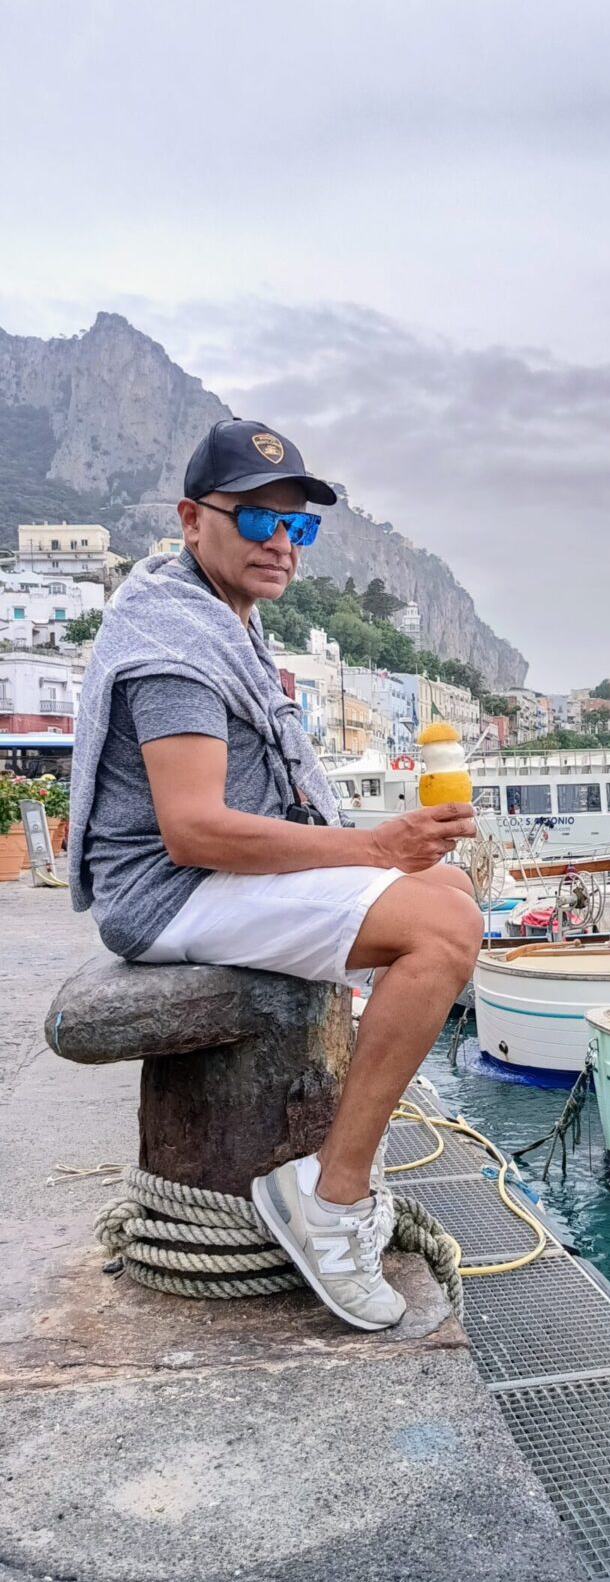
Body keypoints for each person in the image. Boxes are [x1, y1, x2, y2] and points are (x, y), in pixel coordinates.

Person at [67, 418, 482, 1332]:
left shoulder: (222, 622)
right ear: (191, 520)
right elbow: (193, 831)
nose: (282, 545)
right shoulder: (174, 643)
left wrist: (396, 858)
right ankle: (330, 1202)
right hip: (167, 894)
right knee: (440, 928)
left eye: (299, 527)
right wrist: (376, 848)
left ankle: (339, 1157)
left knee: (450, 897)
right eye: (257, 520)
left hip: (209, 883)